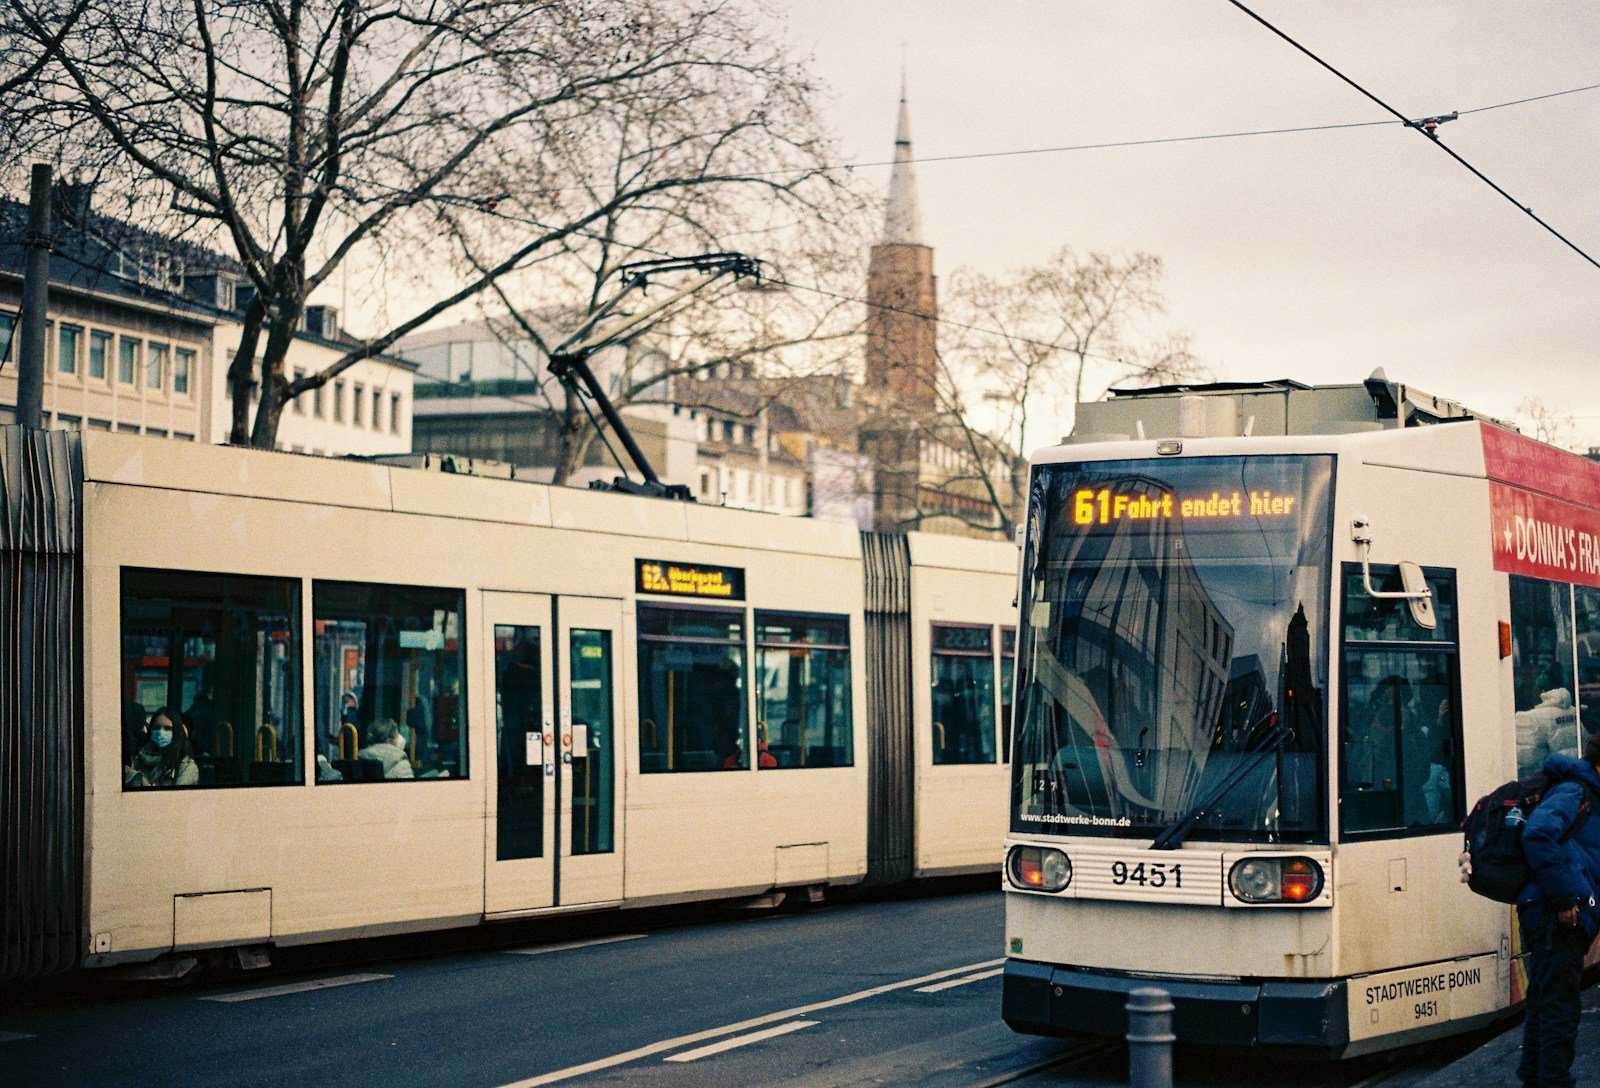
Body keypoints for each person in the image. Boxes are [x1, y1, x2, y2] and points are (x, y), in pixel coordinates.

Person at [1516, 732, 1600, 1088]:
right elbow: (1537, 835)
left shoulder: (1588, 793)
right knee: (1560, 1012)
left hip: (1556, 916)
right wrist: (1567, 898)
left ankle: (1535, 1077)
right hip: (1554, 915)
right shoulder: (1576, 791)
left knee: (1544, 1004)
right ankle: (1553, 1081)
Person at [124, 706, 199, 788]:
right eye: (156, 727)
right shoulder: (139, 759)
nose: (160, 732)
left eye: (167, 728)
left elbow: (175, 798)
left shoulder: (186, 766)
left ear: (176, 732)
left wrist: (143, 782)